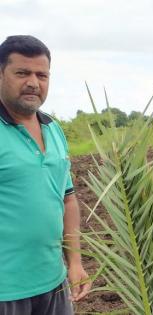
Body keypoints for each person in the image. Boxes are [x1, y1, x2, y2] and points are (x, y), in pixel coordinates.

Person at [0, 35, 91, 315]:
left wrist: (74, 262)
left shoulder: (53, 129)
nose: (33, 82)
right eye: (22, 73)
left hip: (54, 284)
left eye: (42, 75)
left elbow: (67, 199)